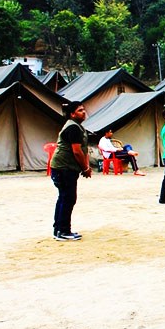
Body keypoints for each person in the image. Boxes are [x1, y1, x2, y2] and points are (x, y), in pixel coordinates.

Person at [49, 101, 92, 241]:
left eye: (84, 109)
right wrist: (85, 168)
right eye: (80, 110)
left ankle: (58, 229)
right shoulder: (73, 127)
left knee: (64, 198)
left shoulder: (76, 126)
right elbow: (77, 151)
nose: (84, 112)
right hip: (64, 168)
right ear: (72, 114)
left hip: (63, 167)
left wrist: (86, 166)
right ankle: (63, 231)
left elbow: (82, 150)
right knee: (68, 198)